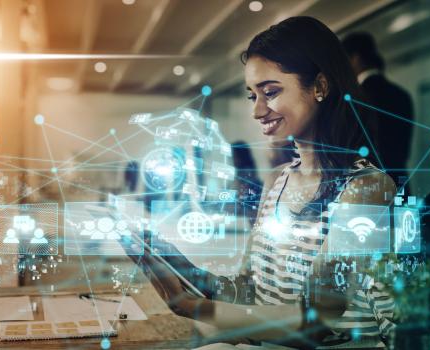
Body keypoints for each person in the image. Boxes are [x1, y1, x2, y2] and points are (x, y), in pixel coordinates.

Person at [132, 17, 396, 349]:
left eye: (270, 92)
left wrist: (196, 307)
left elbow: (318, 321)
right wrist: (182, 267)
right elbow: (249, 289)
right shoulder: (280, 181)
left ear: (320, 87)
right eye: (252, 96)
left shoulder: (367, 188)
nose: (258, 111)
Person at [342, 32, 414, 190]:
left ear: (355, 58)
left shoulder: (355, 98)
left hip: (369, 188)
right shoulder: (402, 95)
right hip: (401, 183)